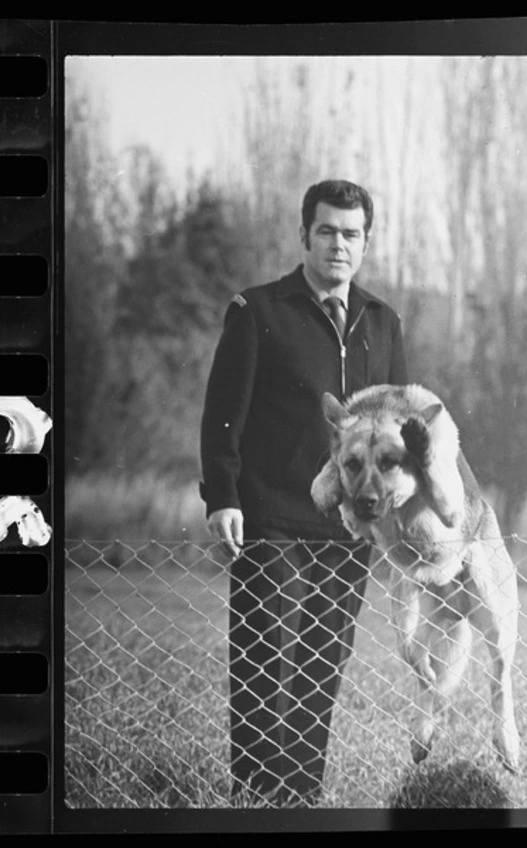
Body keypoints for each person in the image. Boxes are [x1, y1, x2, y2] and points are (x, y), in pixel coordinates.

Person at [199, 179, 408, 806]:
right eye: (327, 231)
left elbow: (401, 426)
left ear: (366, 242)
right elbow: (222, 413)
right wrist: (223, 497)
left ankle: (300, 797)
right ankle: (257, 797)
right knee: (268, 657)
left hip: (351, 526)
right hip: (272, 517)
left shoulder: (383, 322)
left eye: (351, 234)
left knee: (323, 662)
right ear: (304, 236)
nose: (338, 245)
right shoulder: (258, 311)